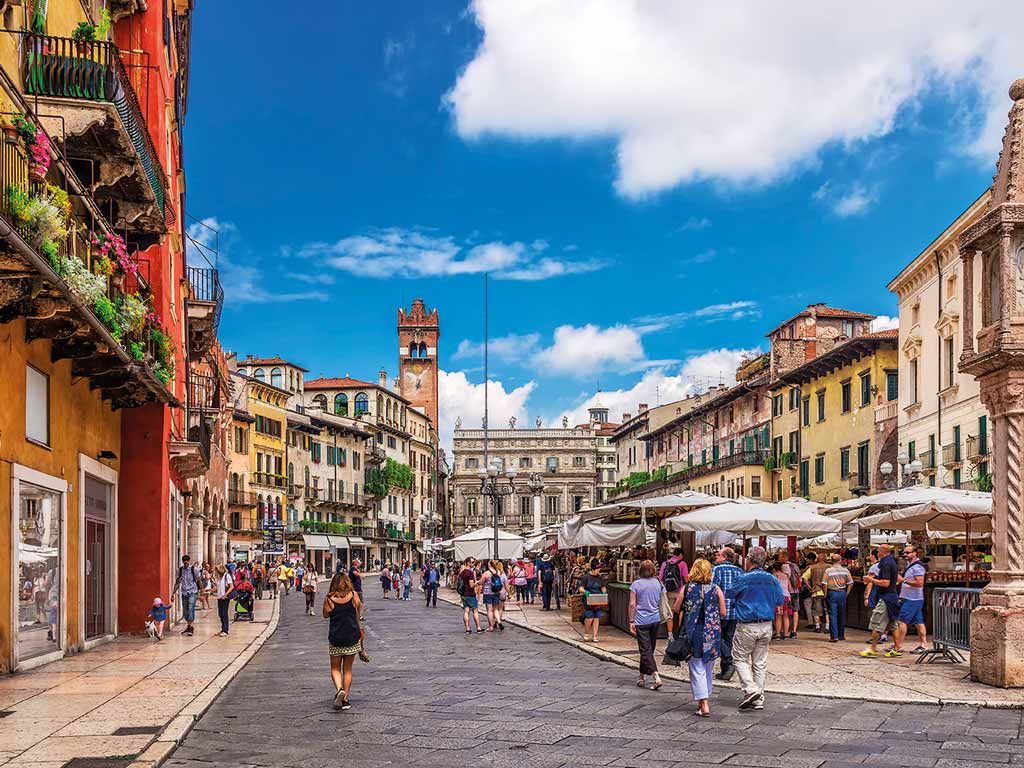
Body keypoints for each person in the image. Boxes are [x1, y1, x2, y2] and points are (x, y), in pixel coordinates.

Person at [727, 546, 785, 711]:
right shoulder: (772, 579)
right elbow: (780, 600)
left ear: (750, 560)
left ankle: (751, 689)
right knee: (760, 663)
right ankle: (758, 699)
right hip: (766, 624)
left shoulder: (744, 578)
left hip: (747, 624)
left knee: (739, 658)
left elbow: (729, 593)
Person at [679, 559, 726, 716]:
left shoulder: (687, 589)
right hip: (712, 633)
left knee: (696, 667)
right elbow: (724, 612)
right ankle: (703, 701)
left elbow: (676, 607)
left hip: (694, 632)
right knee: (708, 667)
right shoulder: (716, 589)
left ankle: (704, 703)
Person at [323, 572, 364, 711]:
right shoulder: (354, 596)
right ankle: (345, 699)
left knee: (335, 668)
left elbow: (325, 615)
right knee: (347, 669)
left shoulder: (330, 598)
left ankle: (339, 689)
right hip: (352, 636)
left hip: (336, 637)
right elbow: (358, 614)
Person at [629, 560, 666, 690]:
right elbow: (662, 598)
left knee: (645, 650)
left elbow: (632, 604)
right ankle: (641, 676)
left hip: (641, 620)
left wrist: (631, 620)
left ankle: (656, 676)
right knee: (648, 649)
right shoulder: (658, 583)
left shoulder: (636, 584)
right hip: (655, 620)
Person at [861, 545, 899, 657]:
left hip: (886, 598)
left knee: (876, 623)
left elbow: (886, 583)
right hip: (891, 596)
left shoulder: (886, 563)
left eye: (878, 551)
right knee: (892, 624)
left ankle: (872, 649)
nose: (877, 552)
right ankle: (897, 649)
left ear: (883, 551)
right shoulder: (889, 562)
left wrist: (871, 579)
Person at [711, 546, 743, 681]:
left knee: (717, 637)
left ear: (724, 557)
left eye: (718, 555)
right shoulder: (740, 571)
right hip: (735, 611)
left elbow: (712, 589)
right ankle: (726, 669)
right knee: (729, 639)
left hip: (720, 610)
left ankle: (728, 663)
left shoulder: (717, 569)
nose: (716, 557)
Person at [891, 544, 929, 657]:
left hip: (912, 599)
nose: (905, 555)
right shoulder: (911, 565)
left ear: (915, 553)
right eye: (905, 553)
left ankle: (898, 647)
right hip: (913, 598)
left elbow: (919, 583)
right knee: (919, 622)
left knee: (902, 621)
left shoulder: (917, 567)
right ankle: (924, 645)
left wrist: (903, 580)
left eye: (908, 553)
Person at [822, 553, 853, 642]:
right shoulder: (846, 571)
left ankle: (834, 636)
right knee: (842, 614)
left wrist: (825, 594)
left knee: (833, 615)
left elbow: (824, 583)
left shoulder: (828, 571)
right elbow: (850, 583)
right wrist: (847, 593)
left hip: (832, 593)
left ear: (832, 561)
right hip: (842, 592)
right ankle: (841, 635)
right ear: (840, 560)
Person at [659, 548, 689, 640]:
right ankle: (680, 633)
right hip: (680, 592)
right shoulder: (683, 564)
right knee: (681, 611)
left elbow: (660, 578)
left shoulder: (665, 563)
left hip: (668, 592)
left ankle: (670, 635)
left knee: (670, 613)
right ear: (680, 555)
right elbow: (686, 579)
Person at [173, 554, 202, 637]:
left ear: (189, 561)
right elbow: (178, 582)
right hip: (184, 592)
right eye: (184, 561)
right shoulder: (180, 570)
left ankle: (191, 627)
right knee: (185, 611)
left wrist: (202, 590)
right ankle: (189, 626)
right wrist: (173, 593)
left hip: (193, 592)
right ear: (182, 561)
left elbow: (199, 580)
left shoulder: (194, 569)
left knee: (190, 608)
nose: (185, 562)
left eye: (187, 560)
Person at [579, 559, 607, 643]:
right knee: (589, 618)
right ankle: (586, 633)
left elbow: (603, 587)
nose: (599, 571)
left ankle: (595, 636)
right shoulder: (586, 577)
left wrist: (604, 593)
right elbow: (580, 588)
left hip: (597, 600)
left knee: (596, 618)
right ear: (593, 569)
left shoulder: (600, 577)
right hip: (588, 600)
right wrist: (585, 592)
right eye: (597, 569)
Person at [803, 552, 829, 633]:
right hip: (828, 591)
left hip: (816, 591)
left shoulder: (812, 567)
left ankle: (817, 626)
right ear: (825, 559)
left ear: (817, 559)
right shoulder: (829, 567)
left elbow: (804, 578)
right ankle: (827, 627)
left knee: (816, 610)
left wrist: (809, 587)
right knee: (827, 610)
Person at [777, 550, 801, 639]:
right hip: (796, 590)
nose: (779, 558)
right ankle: (794, 631)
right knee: (795, 611)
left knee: (785, 612)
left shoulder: (784, 566)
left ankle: (784, 631)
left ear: (783, 557)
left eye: (780, 556)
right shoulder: (794, 565)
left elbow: (786, 579)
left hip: (788, 592)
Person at [457, 558, 483, 634]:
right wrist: (477, 582)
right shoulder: (470, 573)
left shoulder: (462, 572)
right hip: (470, 594)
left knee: (466, 611)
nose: (473, 564)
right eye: (472, 562)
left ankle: (467, 629)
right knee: (475, 611)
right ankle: (478, 628)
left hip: (463, 594)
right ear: (468, 563)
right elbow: (471, 585)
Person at [481, 560, 507, 631]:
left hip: (488, 593)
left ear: (489, 565)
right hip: (496, 592)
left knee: (489, 610)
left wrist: (478, 582)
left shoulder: (486, 573)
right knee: (495, 609)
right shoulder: (498, 572)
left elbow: (481, 582)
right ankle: (499, 621)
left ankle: (491, 626)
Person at [770, 562, 794, 641]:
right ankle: (786, 634)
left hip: (779, 597)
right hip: (787, 596)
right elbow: (790, 588)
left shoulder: (774, 575)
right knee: (786, 616)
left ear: (774, 568)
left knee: (778, 616)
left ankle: (778, 634)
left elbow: (773, 587)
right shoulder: (786, 576)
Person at [214, 564, 234, 637]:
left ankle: (225, 630)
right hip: (219, 597)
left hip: (225, 598)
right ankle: (222, 629)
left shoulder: (227, 576)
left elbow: (231, 587)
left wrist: (225, 595)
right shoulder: (219, 577)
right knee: (220, 614)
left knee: (224, 614)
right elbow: (217, 588)